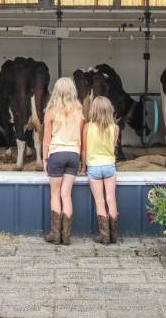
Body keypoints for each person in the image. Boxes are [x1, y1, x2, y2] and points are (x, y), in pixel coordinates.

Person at [42, 77, 84, 245]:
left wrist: (45, 158)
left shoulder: (51, 110)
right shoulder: (79, 110)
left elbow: (46, 139)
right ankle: (66, 236)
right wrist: (81, 159)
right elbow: (81, 139)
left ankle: (55, 234)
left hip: (57, 154)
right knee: (66, 195)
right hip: (73, 155)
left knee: (55, 195)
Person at [81, 96, 120, 244]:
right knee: (111, 199)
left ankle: (104, 235)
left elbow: (84, 150)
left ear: (93, 110)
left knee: (100, 201)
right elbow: (113, 149)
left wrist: (83, 167)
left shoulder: (87, 127)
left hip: (94, 168)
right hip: (109, 166)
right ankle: (114, 235)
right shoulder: (115, 128)